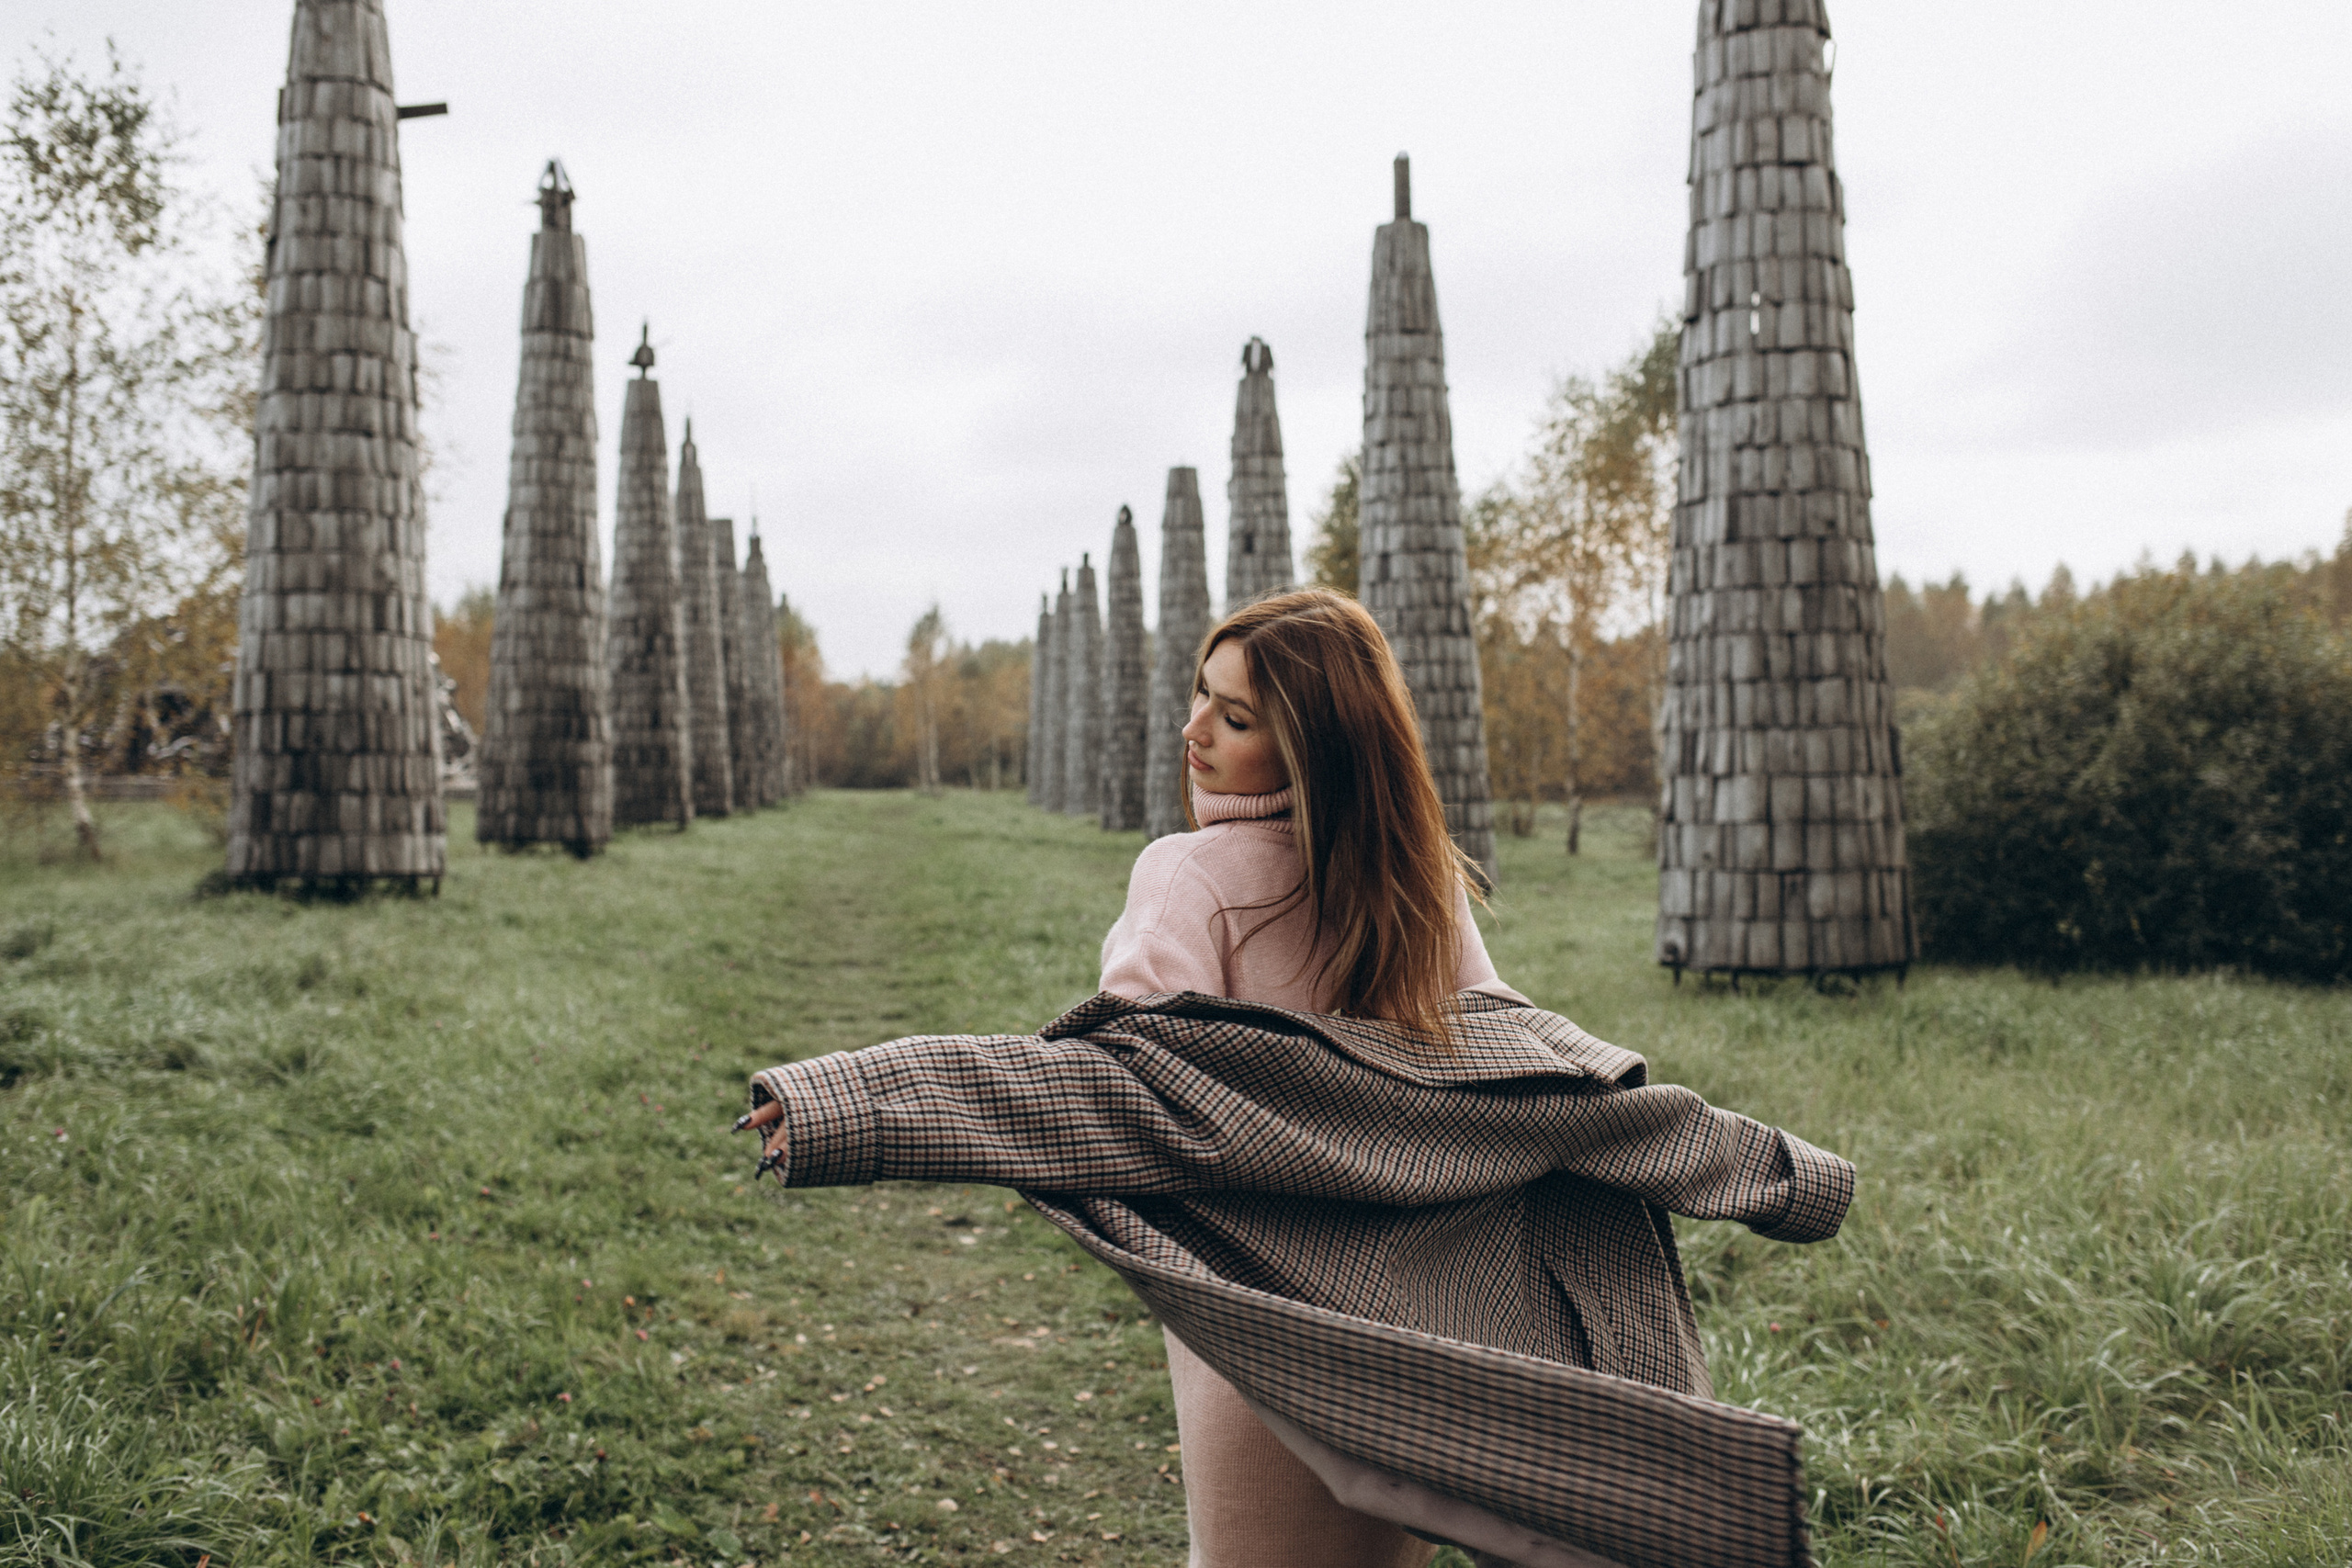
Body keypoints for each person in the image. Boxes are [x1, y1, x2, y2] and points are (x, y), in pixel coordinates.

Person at [740, 589, 1851, 1568]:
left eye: (1234, 717)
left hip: (1263, 1315)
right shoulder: (1418, 876)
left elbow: (1122, 1089)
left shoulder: (1191, 877)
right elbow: (1512, 1073)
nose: (1194, 734)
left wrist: (856, 1108)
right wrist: (1769, 1171)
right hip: (1420, 1315)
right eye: (1200, 700)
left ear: (1312, 745)